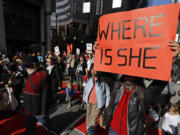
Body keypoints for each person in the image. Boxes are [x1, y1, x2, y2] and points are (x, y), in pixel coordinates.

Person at [93, 40, 180, 135]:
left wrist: (171, 59)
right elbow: (103, 72)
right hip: (113, 130)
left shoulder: (143, 93)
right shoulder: (117, 86)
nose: (129, 71)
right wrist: (98, 52)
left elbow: (160, 82)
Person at [23, 56, 55, 135]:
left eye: (29, 66)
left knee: (47, 126)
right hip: (28, 109)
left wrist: (44, 112)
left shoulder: (43, 76)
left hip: (38, 110)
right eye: (26, 66)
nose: (27, 68)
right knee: (29, 129)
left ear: (36, 65)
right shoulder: (31, 73)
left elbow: (45, 96)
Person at [83, 64, 110, 135]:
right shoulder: (89, 79)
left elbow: (107, 94)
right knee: (88, 118)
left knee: (93, 120)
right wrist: (84, 98)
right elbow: (85, 89)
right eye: (92, 69)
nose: (93, 71)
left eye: (95, 69)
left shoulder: (103, 81)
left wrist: (107, 105)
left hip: (98, 103)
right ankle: (89, 130)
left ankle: (90, 132)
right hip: (89, 102)